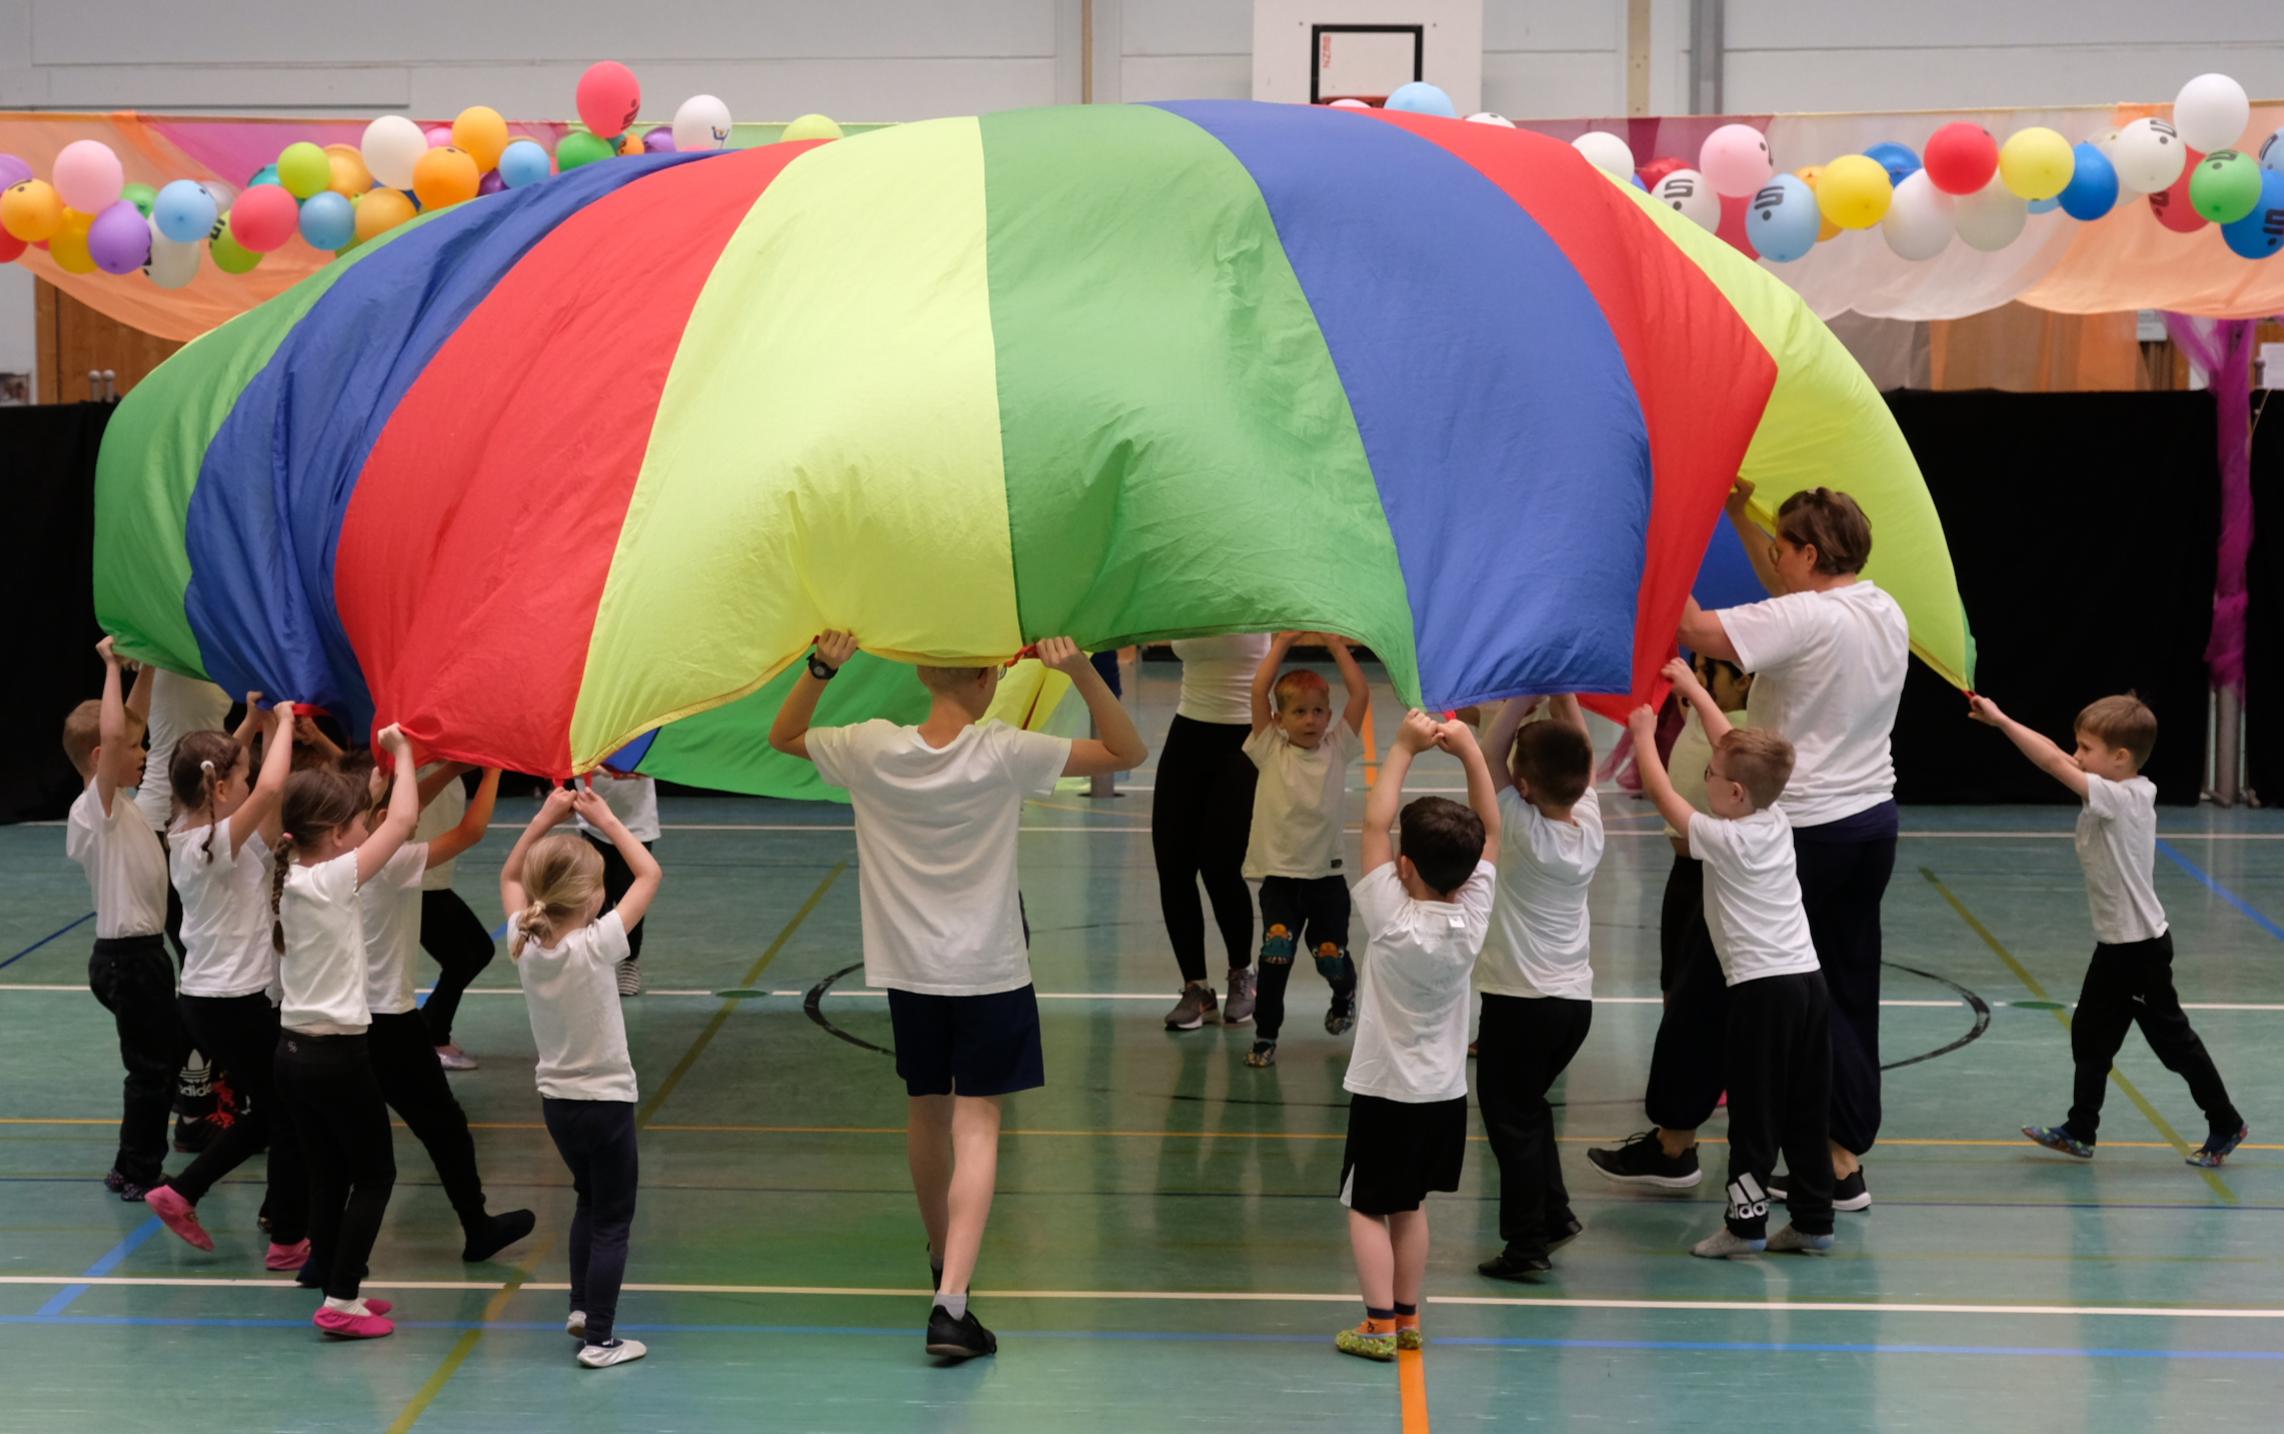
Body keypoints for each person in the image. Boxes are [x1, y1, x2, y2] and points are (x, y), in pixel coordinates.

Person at [770, 630, 1146, 1361]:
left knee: (925, 1113)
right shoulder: (1004, 750)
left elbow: (782, 733)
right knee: (978, 1126)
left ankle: (944, 1258)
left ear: (919, 673)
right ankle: (952, 1304)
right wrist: (1081, 672)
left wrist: (823, 666)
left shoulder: (871, 747)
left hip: (907, 972)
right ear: (984, 681)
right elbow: (1126, 752)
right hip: (989, 971)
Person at [1592, 484, 1904, 1212]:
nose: (1771, 555)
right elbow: (1792, 609)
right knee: (1843, 988)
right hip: (1869, 826)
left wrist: (1661, 536)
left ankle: (1672, 1144)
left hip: (1796, 838)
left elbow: (1697, 628)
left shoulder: (1803, 617)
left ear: (1810, 553)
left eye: (1780, 546)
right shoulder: (1881, 608)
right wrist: (1738, 516)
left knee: (1709, 977)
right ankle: (1840, 1159)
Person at [1969, 693, 2248, 1167]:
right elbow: (2058, 757)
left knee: (2173, 1045)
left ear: (2121, 758)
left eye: (2086, 748)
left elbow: (2052, 765)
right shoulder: (2119, 789)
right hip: (2116, 947)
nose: (2076, 755)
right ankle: (2081, 1130)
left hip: (2139, 952)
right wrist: (2002, 719)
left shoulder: (2121, 798)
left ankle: (2225, 1123)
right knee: (2090, 1034)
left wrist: (2002, 724)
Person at [1629, 660, 1835, 1258]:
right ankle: (1814, 1219)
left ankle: (1745, 1227)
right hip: (1807, 984)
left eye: (1711, 773)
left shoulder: (1727, 837)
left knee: (1753, 1109)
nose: (1706, 775)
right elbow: (1731, 745)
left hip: (1761, 995)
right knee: (1803, 1104)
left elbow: (1670, 804)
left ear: (1733, 792)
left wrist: (1646, 737)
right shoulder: (1773, 817)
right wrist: (1693, 691)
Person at [1334, 711, 1498, 1360]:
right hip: (1444, 1095)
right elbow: (1494, 833)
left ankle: (1377, 1324)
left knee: (1366, 1205)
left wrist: (1401, 746)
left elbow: (1373, 823)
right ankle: (1406, 1317)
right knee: (1412, 1204)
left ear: (1403, 866)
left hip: (1385, 1092)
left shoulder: (1392, 923)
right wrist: (1470, 755)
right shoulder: (1475, 914)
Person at [342, 757, 536, 1269]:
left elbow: (400, 809)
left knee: (345, 1141)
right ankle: (477, 1226)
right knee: (445, 1128)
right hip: (389, 1021)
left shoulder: (329, 858)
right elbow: (471, 830)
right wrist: (495, 770)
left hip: (340, 1020)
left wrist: (452, 768)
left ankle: (318, 1250)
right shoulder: (392, 862)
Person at [143, 703, 310, 1268]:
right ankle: (286, 1236)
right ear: (219, 789)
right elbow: (268, 791)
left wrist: (257, 724)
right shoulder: (204, 844)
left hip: (222, 1000)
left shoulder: (202, 830)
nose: (251, 780)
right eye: (241, 775)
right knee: (285, 1110)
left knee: (273, 1110)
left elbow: (251, 790)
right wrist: (285, 722)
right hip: (228, 1002)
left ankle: (186, 1193)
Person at [505, 783, 664, 1369]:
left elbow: (508, 876)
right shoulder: (597, 947)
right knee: (614, 1218)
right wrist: (607, 819)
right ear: (593, 899)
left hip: (559, 1105)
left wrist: (546, 815)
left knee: (587, 1201)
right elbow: (647, 875)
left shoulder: (524, 943)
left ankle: (580, 1306)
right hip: (606, 1104)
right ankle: (601, 1338)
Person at [269, 729, 421, 1339]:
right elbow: (405, 820)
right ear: (334, 836)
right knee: (376, 1175)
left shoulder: (299, 877)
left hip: (293, 1055)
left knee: (330, 1172)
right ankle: (341, 1300)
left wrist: (376, 778)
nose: (368, 828)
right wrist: (407, 753)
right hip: (337, 1058)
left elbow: (376, 812)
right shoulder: (332, 880)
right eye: (359, 824)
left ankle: (325, 1269)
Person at [1472, 695, 1601, 1280]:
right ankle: (1555, 1214)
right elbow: (1581, 754)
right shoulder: (1588, 824)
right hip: (1573, 1006)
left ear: (1521, 785)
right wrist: (1564, 693)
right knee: (1530, 1110)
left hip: (1521, 1004)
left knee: (1510, 1120)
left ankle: (1526, 1247)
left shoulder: (1518, 829)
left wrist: (1525, 693)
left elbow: (1485, 752)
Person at [62, 640, 182, 1203]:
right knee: (152, 1069)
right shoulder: (97, 808)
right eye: (136, 748)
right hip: (128, 960)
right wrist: (111, 666)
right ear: (99, 760)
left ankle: (132, 1161)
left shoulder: (123, 802)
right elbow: (115, 734)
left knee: (163, 1056)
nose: (144, 752)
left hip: (140, 957)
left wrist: (148, 659)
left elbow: (126, 724)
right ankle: (138, 1171)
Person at [1237, 632, 1370, 1068]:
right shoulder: (1268, 747)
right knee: (1276, 955)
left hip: (1326, 880)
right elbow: (1258, 689)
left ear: (1329, 716)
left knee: (1330, 955)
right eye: (1299, 712)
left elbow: (1361, 691)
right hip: (1280, 878)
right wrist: (1284, 642)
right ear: (1279, 718)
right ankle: (1266, 1035)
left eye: (1318, 712)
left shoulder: (1338, 747)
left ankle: (1344, 993)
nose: (1311, 720)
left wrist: (1335, 646)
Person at [1154, 635, 1270, 1031]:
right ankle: (1196, 988)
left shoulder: (1260, 587)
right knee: (1173, 865)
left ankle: (1242, 973)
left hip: (1241, 736)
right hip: (1188, 730)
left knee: (1221, 868)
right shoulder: (1188, 587)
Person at [1659, 656, 1752, 1004]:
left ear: (1743, 682)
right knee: (1672, 974)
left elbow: (1728, 745)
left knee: (1700, 982)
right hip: (1683, 869)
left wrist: (1694, 691)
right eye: (1695, 668)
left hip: (1713, 871)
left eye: (1707, 670)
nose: (1697, 677)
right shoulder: (1700, 710)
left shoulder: (1745, 725)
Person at [411, 762, 495, 1067]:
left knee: (478, 951)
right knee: (463, 958)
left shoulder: (448, 763)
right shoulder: (419, 765)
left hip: (433, 880)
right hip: (417, 882)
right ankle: (433, 1037)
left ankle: (428, 1028)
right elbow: (471, 832)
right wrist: (494, 772)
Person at [574, 765, 661, 997]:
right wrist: (603, 769)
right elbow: (572, 757)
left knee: (630, 894)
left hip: (637, 823)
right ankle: (598, 960)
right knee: (595, 896)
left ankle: (629, 961)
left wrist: (646, 767)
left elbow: (660, 757)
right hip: (593, 822)